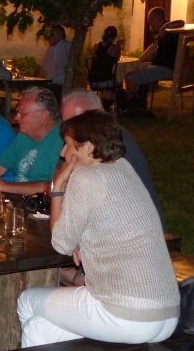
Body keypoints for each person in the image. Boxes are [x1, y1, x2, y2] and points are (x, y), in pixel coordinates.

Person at [0, 111, 179, 351]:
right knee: (41, 326)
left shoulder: (86, 177)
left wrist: (59, 185)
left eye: (69, 145)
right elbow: (109, 221)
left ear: (88, 147)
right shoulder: (123, 169)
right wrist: (84, 241)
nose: (62, 153)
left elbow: (60, 242)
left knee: (29, 302)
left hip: (126, 313)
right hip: (165, 313)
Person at [59, 89, 166, 286]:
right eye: (67, 123)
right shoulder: (97, 152)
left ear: (100, 114)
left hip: (131, 260)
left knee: (57, 278)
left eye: (80, 121)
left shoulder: (113, 152)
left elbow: (63, 241)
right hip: (123, 251)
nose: (73, 130)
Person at [0, 87, 63, 195]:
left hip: (42, 203)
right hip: (19, 199)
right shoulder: (24, 135)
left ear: (43, 116)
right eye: (18, 112)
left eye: (23, 113)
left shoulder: (62, 140)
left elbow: (54, 186)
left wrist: (3, 186)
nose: (16, 117)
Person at [124, 8, 185, 103]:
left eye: (151, 19)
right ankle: (139, 102)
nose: (149, 22)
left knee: (129, 77)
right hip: (157, 66)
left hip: (166, 68)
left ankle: (131, 104)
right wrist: (138, 61)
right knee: (132, 70)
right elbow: (153, 47)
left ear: (158, 18)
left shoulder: (171, 30)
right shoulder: (159, 33)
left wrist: (165, 25)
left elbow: (182, 22)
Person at [87, 26, 121, 109]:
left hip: (93, 80)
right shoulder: (116, 47)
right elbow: (117, 59)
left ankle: (103, 104)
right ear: (115, 36)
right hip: (106, 80)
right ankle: (108, 106)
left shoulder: (95, 45)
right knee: (118, 81)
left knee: (106, 79)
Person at [41, 25, 71, 93]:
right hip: (50, 83)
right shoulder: (51, 48)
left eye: (51, 34)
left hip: (60, 84)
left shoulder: (65, 45)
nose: (48, 37)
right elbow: (45, 68)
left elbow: (66, 65)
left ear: (59, 35)